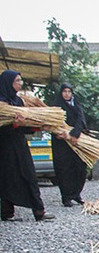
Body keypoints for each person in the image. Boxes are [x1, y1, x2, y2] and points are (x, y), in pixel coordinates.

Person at [0, 70, 55, 222]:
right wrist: (15, 125)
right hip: (5, 148)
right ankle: (6, 213)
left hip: (20, 145)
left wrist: (37, 127)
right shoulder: (1, 103)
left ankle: (39, 211)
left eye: (20, 80)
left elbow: (24, 126)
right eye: (17, 81)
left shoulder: (18, 102)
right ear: (8, 82)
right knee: (7, 179)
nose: (20, 83)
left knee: (30, 175)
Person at [52, 83, 88, 207]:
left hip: (75, 140)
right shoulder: (57, 106)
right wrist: (61, 134)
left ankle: (76, 193)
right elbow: (53, 123)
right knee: (64, 169)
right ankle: (66, 197)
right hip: (61, 142)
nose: (67, 94)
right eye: (64, 91)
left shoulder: (76, 104)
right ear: (61, 93)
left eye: (69, 91)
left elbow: (81, 120)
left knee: (80, 168)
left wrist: (74, 134)